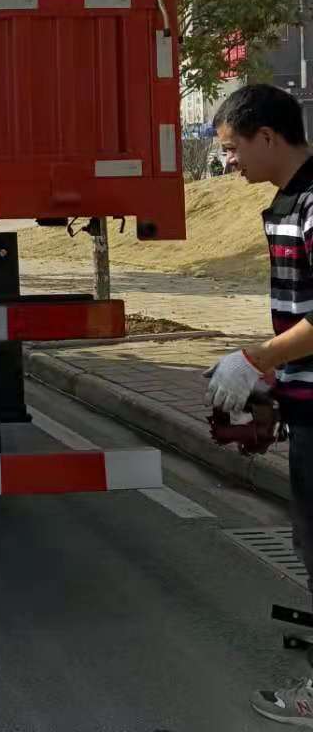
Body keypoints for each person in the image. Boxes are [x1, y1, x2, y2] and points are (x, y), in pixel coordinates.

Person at [207, 83, 313, 724]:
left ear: (267, 137)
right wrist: (275, 392)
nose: (228, 162)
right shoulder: (287, 203)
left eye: (232, 148)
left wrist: (256, 360)